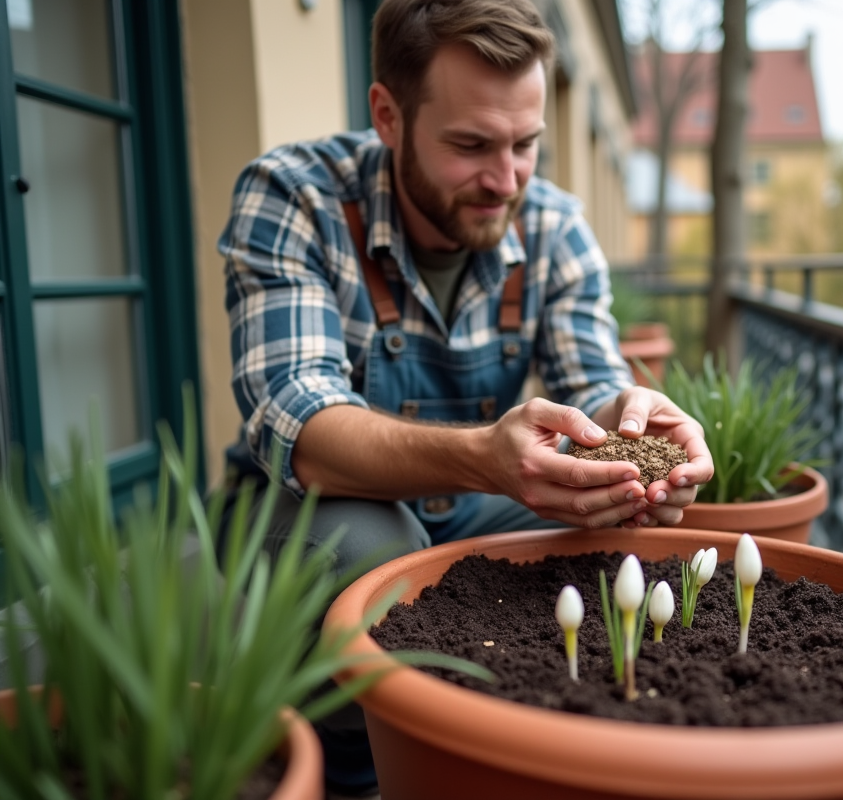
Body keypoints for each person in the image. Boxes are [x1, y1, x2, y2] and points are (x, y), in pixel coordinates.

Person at [217, 0, 713, 794]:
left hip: (474, 503)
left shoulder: (553, 223)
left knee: (610, 518)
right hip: (305, 507)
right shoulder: (295, 196)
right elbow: (300, 423)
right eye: (471, 145)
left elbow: (591, 379)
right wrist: (486, 457)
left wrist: (635, 428)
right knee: (365, 553)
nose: (507, 179)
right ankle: (354, 769)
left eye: (526, 144)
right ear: (388, 114)